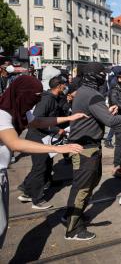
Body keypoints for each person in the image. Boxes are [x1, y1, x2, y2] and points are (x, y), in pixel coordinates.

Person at [0, 76, 84, 248]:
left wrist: (69, 118)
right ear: (22, 94)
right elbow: (15, 143)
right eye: (34, 96)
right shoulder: (2, 114)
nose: (36, 101)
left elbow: (38, 121)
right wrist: (58, 149)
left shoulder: (19, 108)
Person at [64, 62, 121, 241]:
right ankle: (73, 228)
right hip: (85, 148)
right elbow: (111, 122)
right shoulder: (93, 95)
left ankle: (71, 215)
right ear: (97, 76)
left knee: (87, 183)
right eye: (102, 74)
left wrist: (106, 111)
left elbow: (92, 114)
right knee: (82, 188)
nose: (105, 77)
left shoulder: (84, 92)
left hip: (85, 145)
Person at [18, 75, 71, 209]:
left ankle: (26, 188)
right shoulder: (46, 99)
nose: (66, 87)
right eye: (64, 85)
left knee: (46, 163)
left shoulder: (55, 98)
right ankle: (36, 199)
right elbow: (38, 120)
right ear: (59, 86)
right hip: (37, 137)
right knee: (40, 167)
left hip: (44, 137)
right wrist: (56, 129)